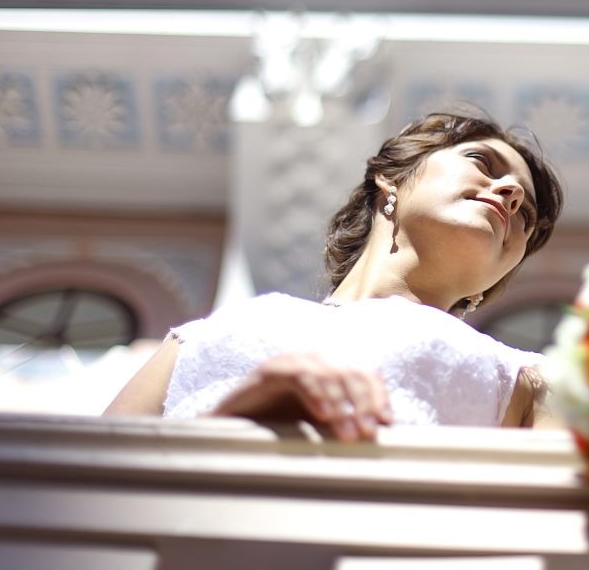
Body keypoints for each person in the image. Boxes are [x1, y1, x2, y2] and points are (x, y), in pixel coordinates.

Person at [105, 112, 564, 440]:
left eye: (525, 215)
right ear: (392, 177)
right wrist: (244, 422)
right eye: (483, 163)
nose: (511, 192)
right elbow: (92, 481)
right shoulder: (197, 340)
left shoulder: (533, 381)